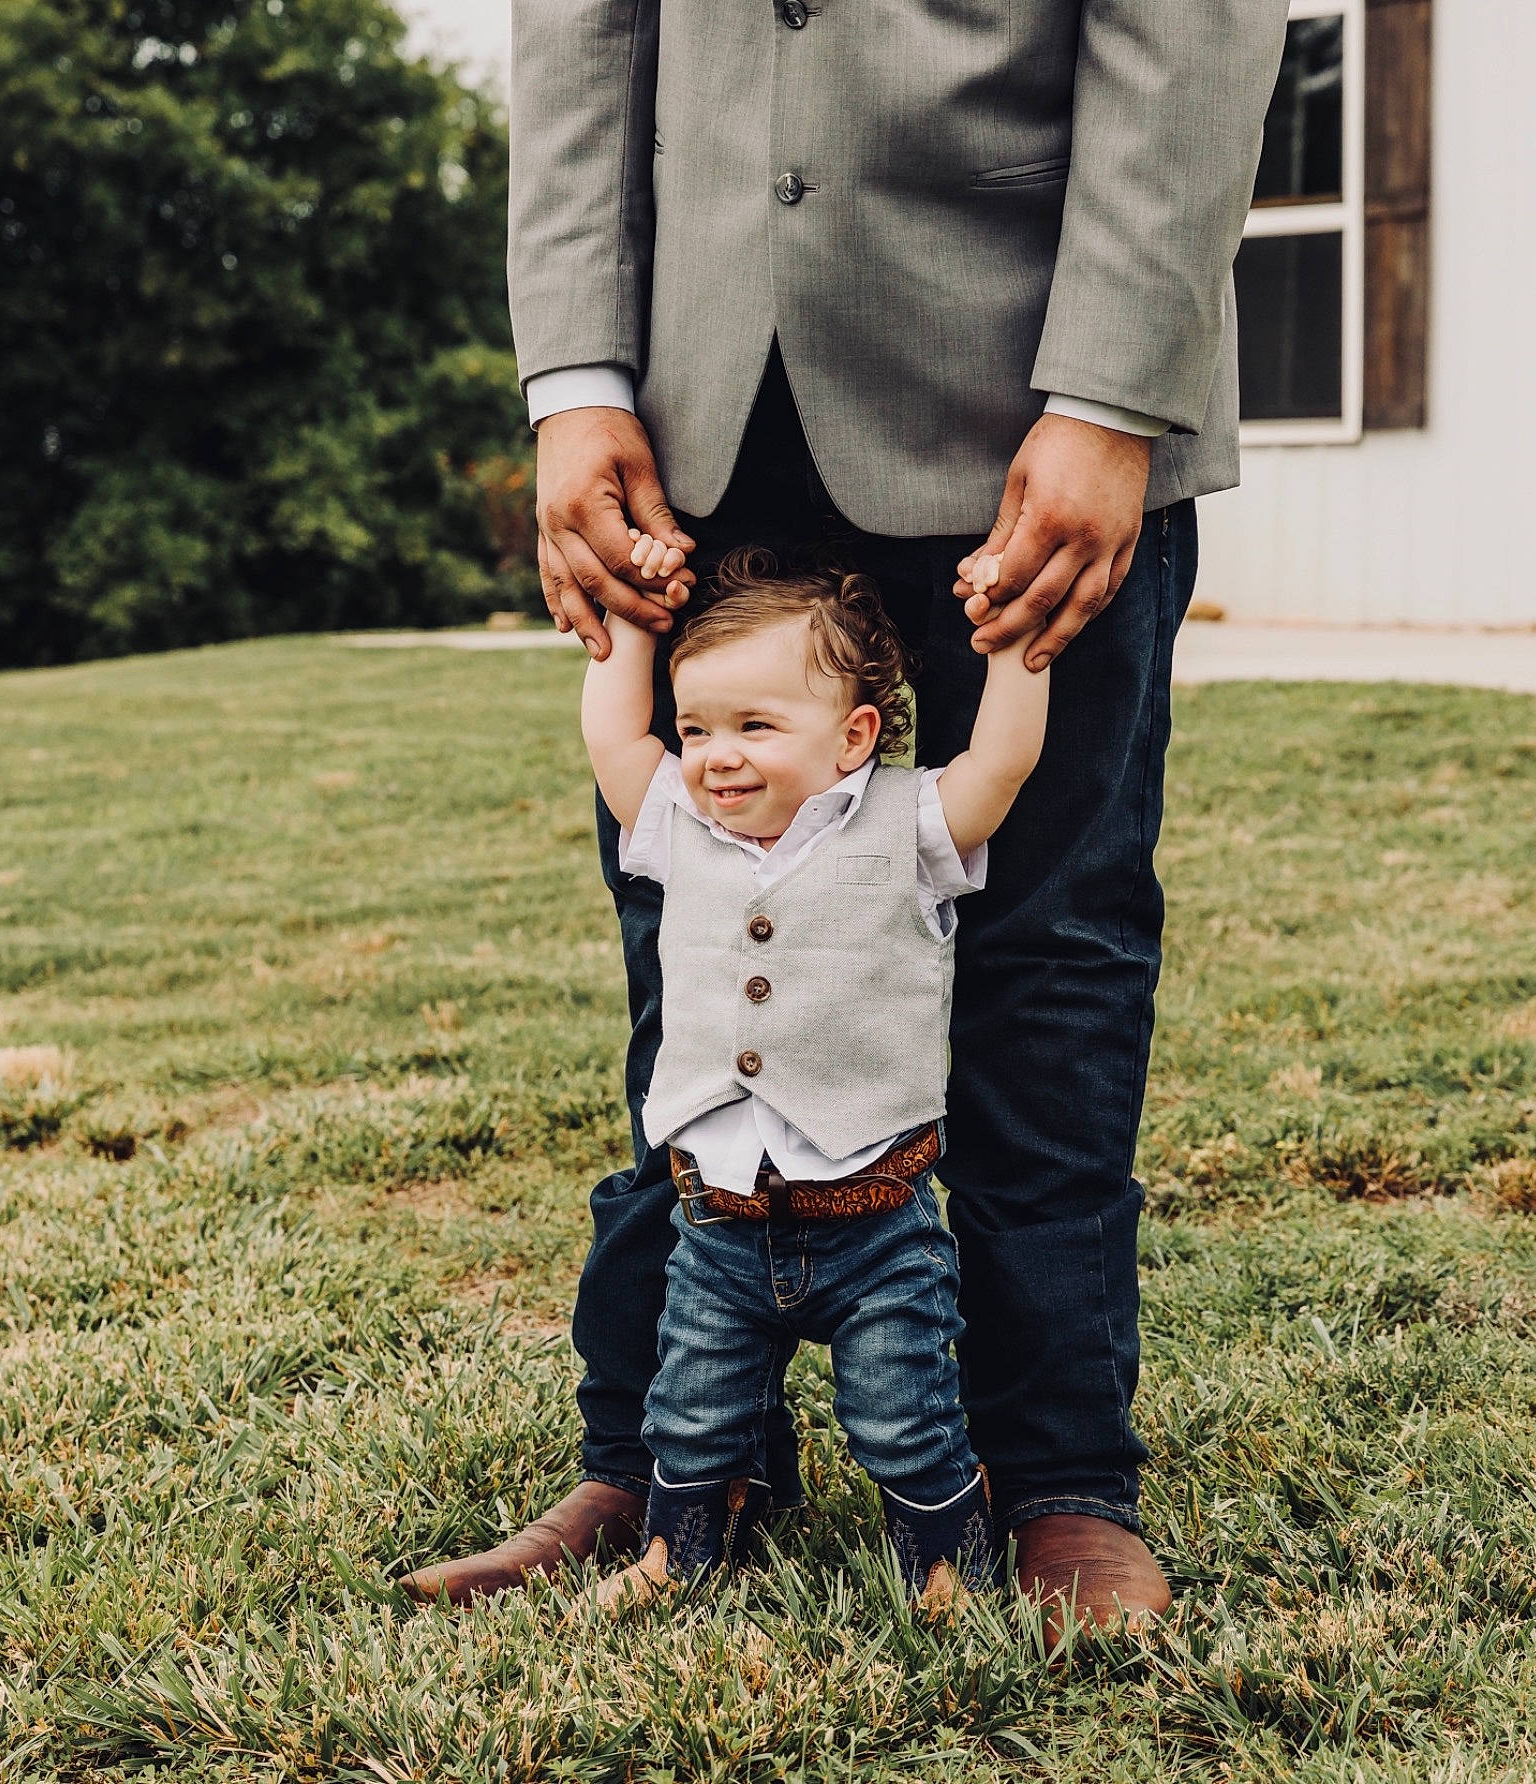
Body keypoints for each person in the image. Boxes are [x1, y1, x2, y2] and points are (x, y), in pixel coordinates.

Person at [401, 0, 1286, 1633]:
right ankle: (679, 1451)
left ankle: (1056, 1477)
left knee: (1048, 947)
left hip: (1030, 383)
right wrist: (577, 379)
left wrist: (1111, 391)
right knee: (700, 947)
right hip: (700, 395)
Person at [572, 543, 1045, 1613]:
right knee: (691, 1403)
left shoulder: (908, 823)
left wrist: (1016, 649)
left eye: (753, 726)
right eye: (696, 728)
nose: (714, 756)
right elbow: (612, 731)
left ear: (855, 735)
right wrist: (630, 622)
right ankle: (674, 1551)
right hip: (720, 1222)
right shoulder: (676, 826)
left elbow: (1003, 765)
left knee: (902, 1407)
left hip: (875, 1222)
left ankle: (945, 1562)